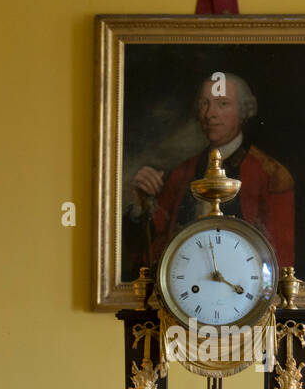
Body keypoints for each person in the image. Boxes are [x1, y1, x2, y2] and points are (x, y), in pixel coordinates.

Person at [123, 72, 294, 275]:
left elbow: (280, 262)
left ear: (243, 111)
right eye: (205, 103)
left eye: (222, 104)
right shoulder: (180, 173)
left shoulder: (272, 176)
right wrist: (140, 207)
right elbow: (151, 254)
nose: (210, 113)